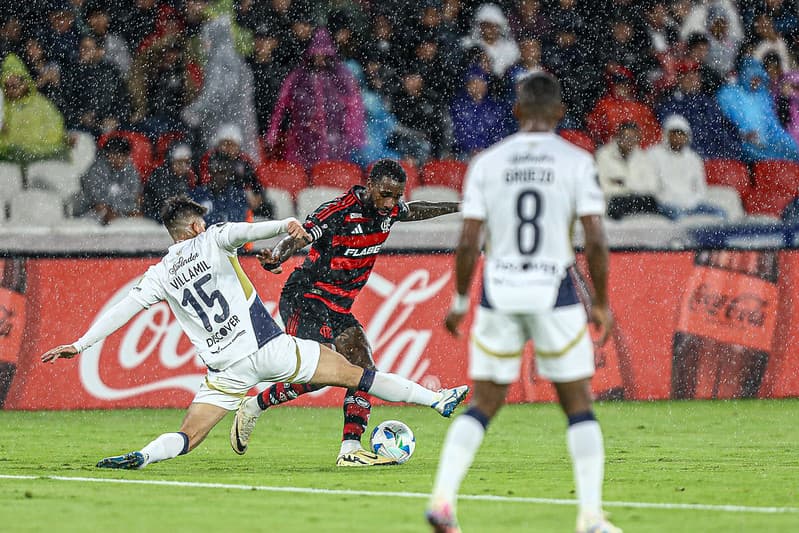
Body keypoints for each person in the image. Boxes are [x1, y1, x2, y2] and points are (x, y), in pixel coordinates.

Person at [40, 195, 469, 470]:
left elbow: (123, 310)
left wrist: (81, 343)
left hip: (225, 372)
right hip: (269, 349)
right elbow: (252, 231)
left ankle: (144, 455)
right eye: (201, 222)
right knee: (359, 375)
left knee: (188, 437)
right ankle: (437, 399)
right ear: (193, 227)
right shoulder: (214, 238)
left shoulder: (160, 273)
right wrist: (285, 224)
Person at [425, 73, 621, 533]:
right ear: (559, 113)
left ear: (516, 112)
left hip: (499, 291)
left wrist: (458, 300)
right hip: (553, 290)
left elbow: (469, 239)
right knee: (577, 405)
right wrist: (603, 302)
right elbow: (594, 236)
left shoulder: (488, 163)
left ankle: (443, 501)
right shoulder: (575, 161)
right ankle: (590, 517)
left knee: (484, 403)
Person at [254, 159, 461, 466]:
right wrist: (277, 254)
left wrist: (459, 207)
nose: (391, 203)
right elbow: (301, 235)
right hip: (306, 298)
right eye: (386, 194)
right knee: (324, 373)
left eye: (397, 196)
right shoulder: (337, 211)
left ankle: (350, 449)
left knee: (363, 369)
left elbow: (418, 209)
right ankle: (256, 405)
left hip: (339, 307)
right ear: (370, 185)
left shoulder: (390, 211)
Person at [647, 115, 724, 220]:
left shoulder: (694, 158)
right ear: (666, 135)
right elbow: (653, 187)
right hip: (666, 204)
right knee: (681, 218)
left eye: (681, 134)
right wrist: (673, 201)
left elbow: (700, 189)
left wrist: (690, 202)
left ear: (687, 136)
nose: (678, 137)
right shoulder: (653, 154)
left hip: (692, 203)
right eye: (674, 133)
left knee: (721, 214)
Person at [595, 122, 660, 220]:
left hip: (638, 199)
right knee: (618, 203)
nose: (628, 141)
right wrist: (632, 188)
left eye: (632, 138)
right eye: (625, 137)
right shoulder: (604, 155)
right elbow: (602, 186)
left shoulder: (643, 157)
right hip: (613, 201)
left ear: (638, 139)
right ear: (618, 136)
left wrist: (625, 183)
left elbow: (653, 186)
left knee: (651, 202)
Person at [73, 136, 141, 224]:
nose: (117, 158)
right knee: (103, 210)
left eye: (121, 155)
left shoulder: (130, 169)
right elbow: (96, 198)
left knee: (137, 215)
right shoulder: (97, 168)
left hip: (120, 209)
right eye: (114, 154)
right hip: (90, 210)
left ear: (127, 156)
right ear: (107, 154)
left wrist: (124, 210)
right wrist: (113, 211)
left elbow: (132, 194)